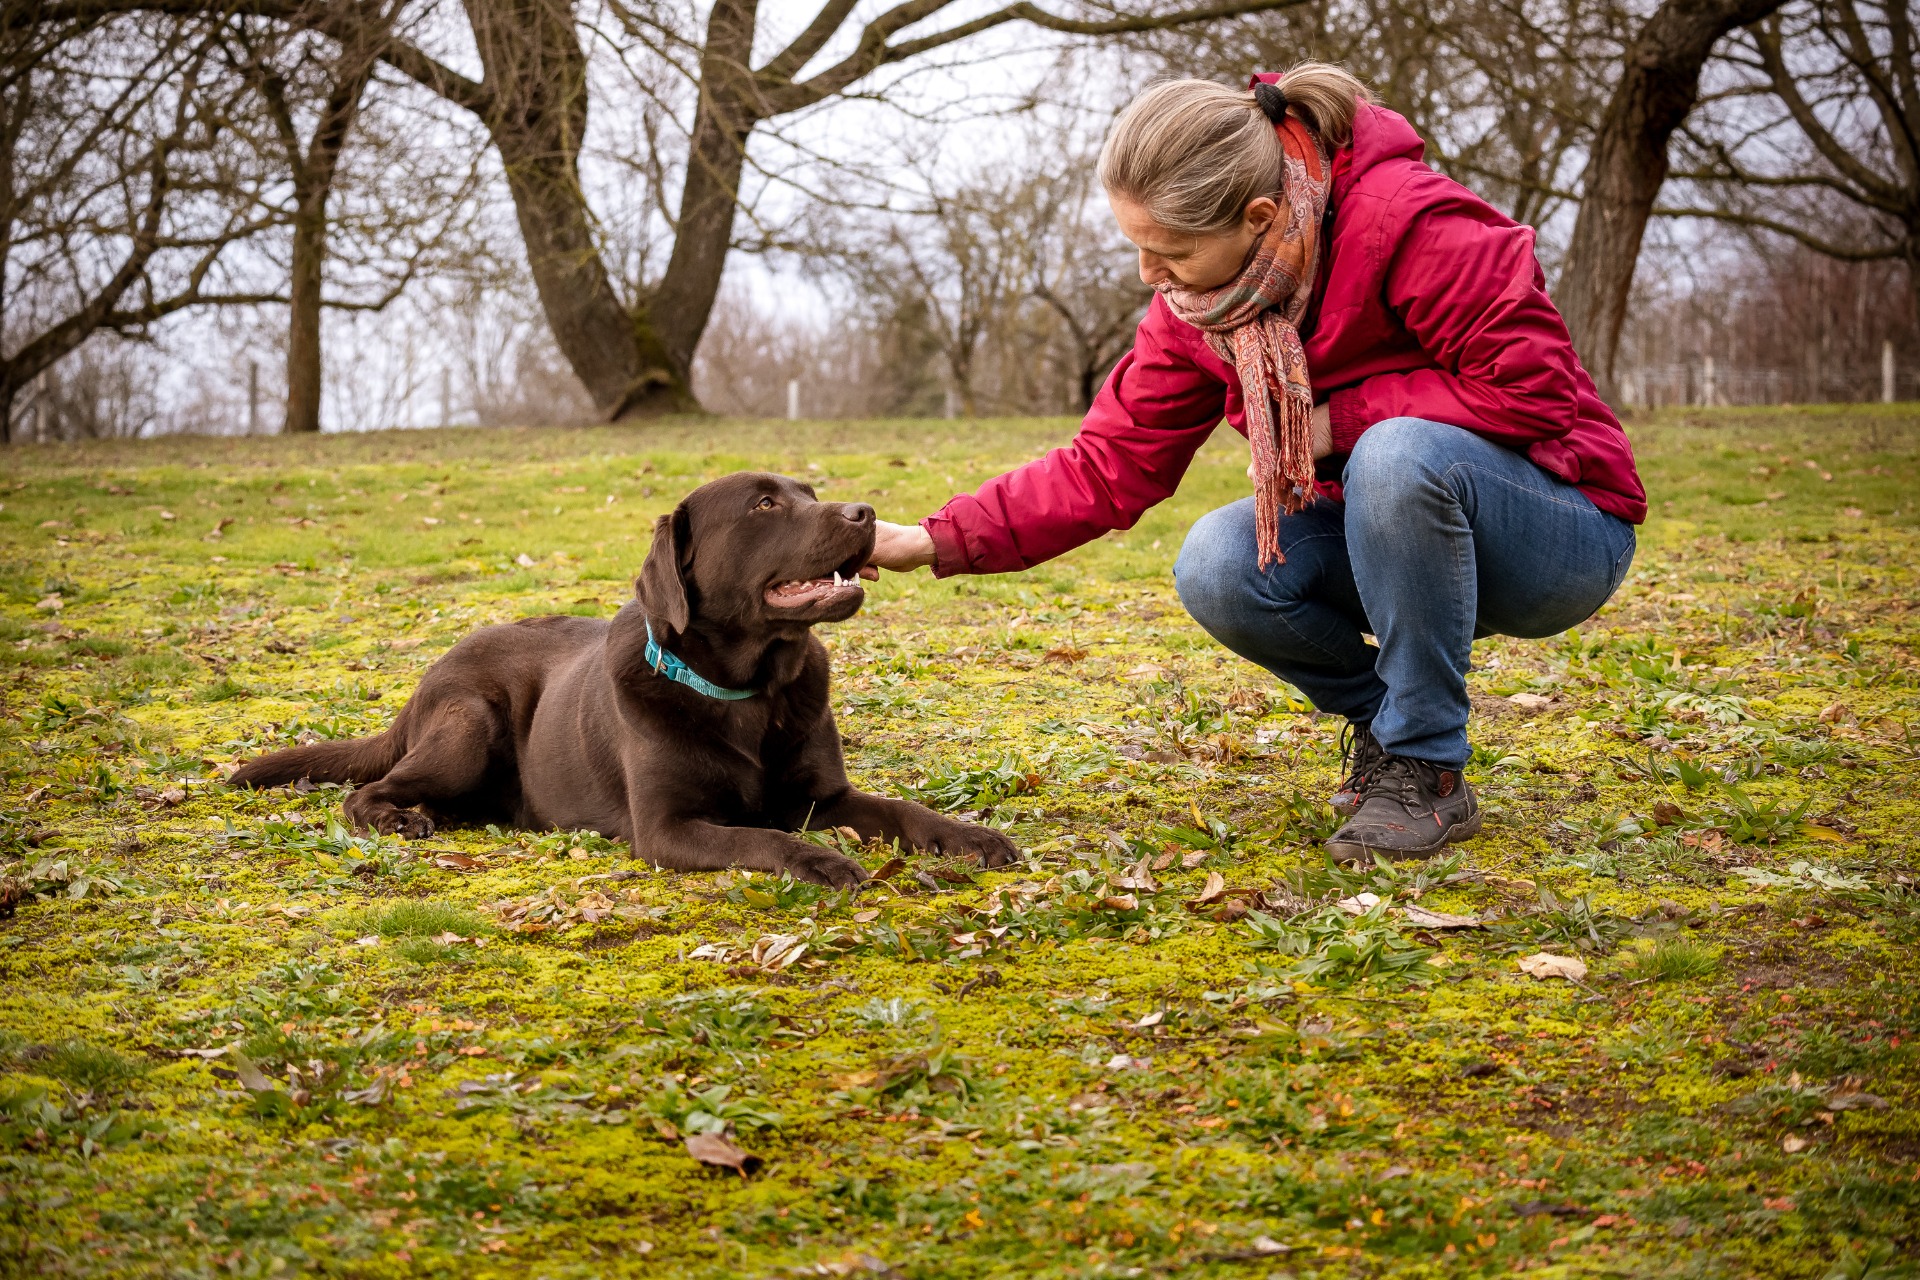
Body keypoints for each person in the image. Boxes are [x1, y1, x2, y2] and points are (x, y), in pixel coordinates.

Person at [864, 65, 1645, 862]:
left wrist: (1337, 424)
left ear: (1257, 216)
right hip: (1393, 541)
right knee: (1219, 560)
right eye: (1137, 247)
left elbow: (1536, 392)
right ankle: (1392, 732)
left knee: (1395, 451)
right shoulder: (1203, 311)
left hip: (1559, 534)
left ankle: (1428, 768)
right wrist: (931, 540)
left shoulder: (1410, 221)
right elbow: (1108, 463)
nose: (1149, 276)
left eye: (1167, 251)